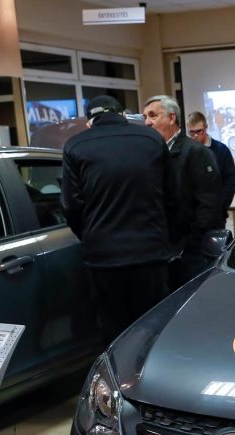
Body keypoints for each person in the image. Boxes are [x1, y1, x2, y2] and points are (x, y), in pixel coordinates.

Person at [61, 95, 172, 345]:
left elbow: (71, 206)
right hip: (150, 252)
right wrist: (166, 239)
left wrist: (90, 236)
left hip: (104, 257)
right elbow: (172, 196)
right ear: (123, 115)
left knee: (114, 329)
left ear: (90, 121)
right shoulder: (151, 139)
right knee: (153, 327)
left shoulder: (76, 146)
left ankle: (118, 370)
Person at [142, 95, 222, 291]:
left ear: (171, 118)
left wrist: (189, 244)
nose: (147, 122)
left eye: (153, 115)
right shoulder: (149, 154)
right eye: (145, 117)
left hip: (190, 251)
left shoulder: (196, 152)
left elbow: (208, 203)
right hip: (162, 249)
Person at [187, 110, 235, 229]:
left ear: (206, 128)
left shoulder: (221, 150)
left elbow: (230, 181)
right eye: (191, 132)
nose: (195, 136)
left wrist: (221, 207)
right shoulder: (186, 152)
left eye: (199, 131)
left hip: (216, 216)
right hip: (191, 218)